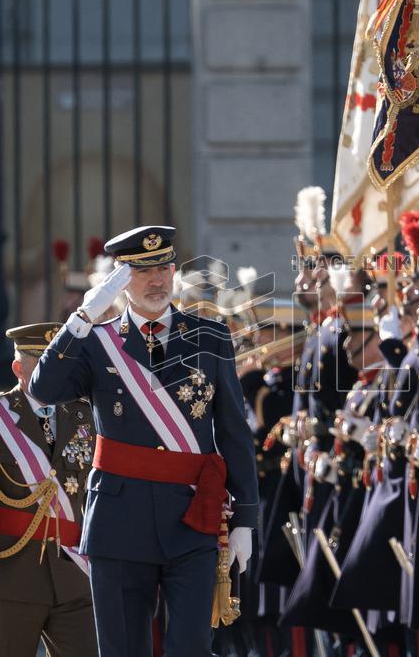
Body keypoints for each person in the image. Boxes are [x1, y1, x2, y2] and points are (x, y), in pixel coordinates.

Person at [28, 225, 258, 657]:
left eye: (165, 267)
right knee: (123, 648)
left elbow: (233, 433)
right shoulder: (96, 343)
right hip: (119, 519)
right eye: (143, 270)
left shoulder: (209, 337)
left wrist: (245, 518)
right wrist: (81, 319)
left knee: (191, 646)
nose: (157, 279)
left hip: (193, 518)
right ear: (119, 280)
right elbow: (43, 390)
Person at [0, 322, 97, 657]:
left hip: (73, 574)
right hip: (7, 572)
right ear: (18, 367)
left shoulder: (84, 415)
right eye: (41, 364)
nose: (52, 373)